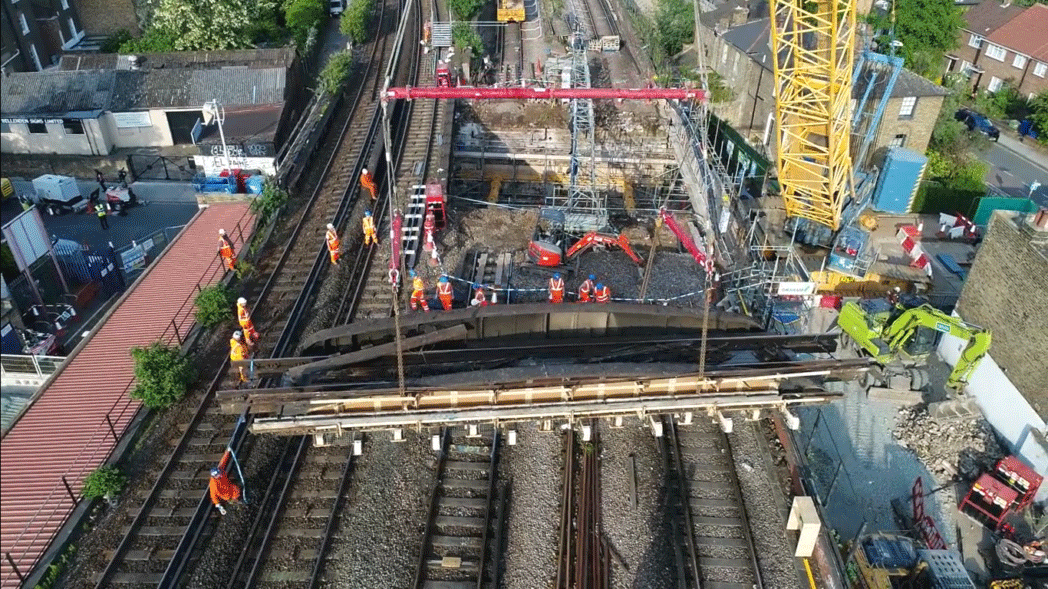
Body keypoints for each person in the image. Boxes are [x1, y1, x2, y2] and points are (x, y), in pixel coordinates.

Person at [209, 449, 241, 515]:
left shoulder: (220, 470)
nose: (219, 474)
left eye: (219, 473)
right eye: (218, 474)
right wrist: (220, 507)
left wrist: (227, 452)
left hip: (229, 486)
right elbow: (213, 496)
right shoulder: (213, 485)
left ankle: (238, 497)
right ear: (214, 476)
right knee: (235, 495)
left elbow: (223, 461)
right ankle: (235, 501)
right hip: (226, 494)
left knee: (236, 489)